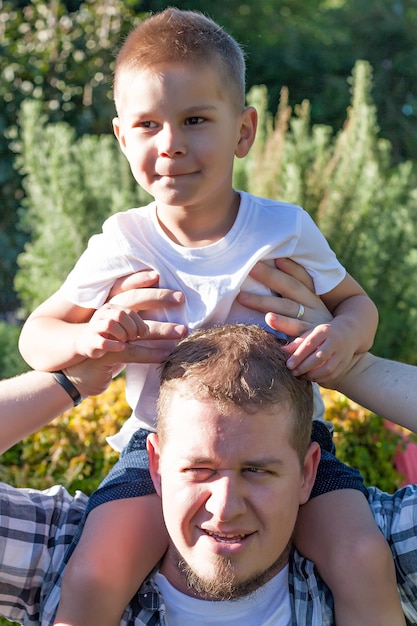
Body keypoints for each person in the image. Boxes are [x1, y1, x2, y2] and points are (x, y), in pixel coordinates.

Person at [16, 7, 396, 626]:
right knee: (94, 572)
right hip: (157, 452)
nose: (171, 144)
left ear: (243, 131)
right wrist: (88, 339)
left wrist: (342, 338)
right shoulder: (124, 241)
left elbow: (358, 304)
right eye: (148, 125)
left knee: (361, 557)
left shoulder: (283, 228)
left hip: (290, 447)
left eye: (196, 120)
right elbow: (38, 335)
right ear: (121, 138)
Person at [1, 323, 417, 626]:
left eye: (257, 470)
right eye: (199, 469)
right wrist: (70, 380)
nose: (225, 507)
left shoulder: (381, 548)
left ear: (308, 472)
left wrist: (350, 366)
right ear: (156, 466)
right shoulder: (61, 553)